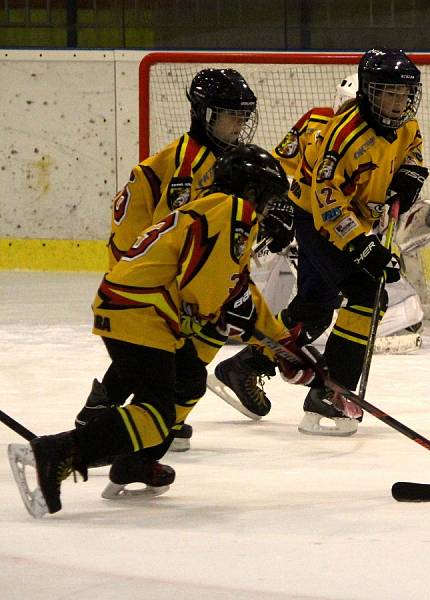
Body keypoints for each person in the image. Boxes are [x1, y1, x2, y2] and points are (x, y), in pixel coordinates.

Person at [8, 145, 317, 517]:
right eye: (267, 198)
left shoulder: (211, 209)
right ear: (251, 192)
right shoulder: (236, 210)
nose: (269, 209)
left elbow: (237, 287)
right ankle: (58, 453)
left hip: (136, 308)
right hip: (141, 312)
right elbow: (205, 292)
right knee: (156, 412)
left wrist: (282, 345)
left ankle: (135, 463)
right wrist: (224, 314)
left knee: (188, 382)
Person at [211, 71, 430, 421]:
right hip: (321, 223)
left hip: (344, 225)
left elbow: (403, 155)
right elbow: (284, 170)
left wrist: (408, 176)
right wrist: (281, 209)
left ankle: (247, 366)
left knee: (315, 309)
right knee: (360, 295)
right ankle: (329, 389)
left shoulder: (395, 126)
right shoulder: (324, 127)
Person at [75, 68, 264, 453]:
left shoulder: (218, 161)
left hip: (156, 269)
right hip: (143, 273)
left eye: (244, 117)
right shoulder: (188, 167)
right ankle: (105, 413)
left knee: (190, 339)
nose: (239, 126)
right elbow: (175, 231)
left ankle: (150, 416)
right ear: (204, 113)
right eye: (232, 116)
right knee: (158, 345)